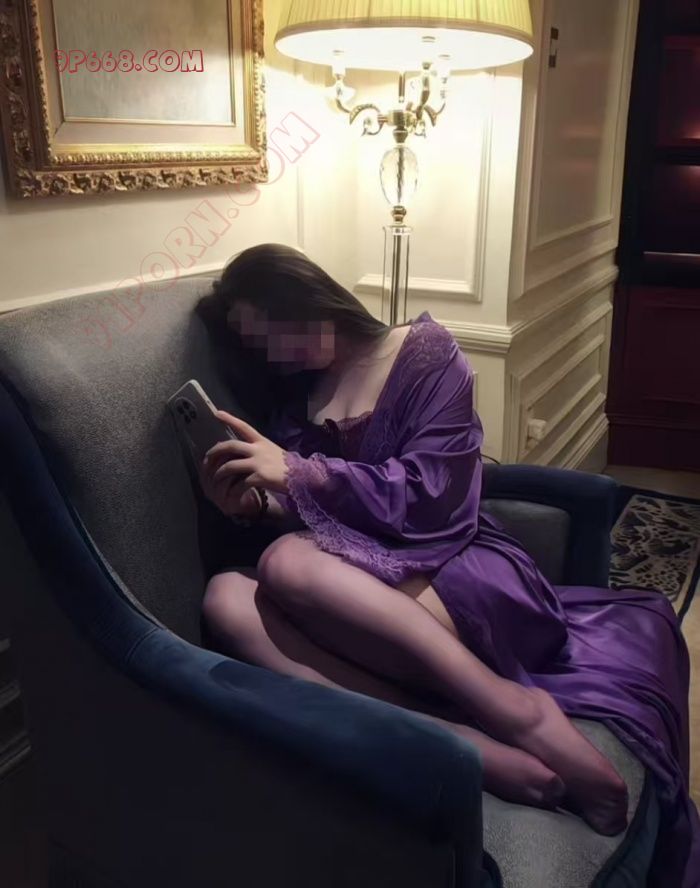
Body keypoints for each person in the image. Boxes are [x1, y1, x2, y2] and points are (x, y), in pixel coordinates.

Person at [196, 243, 698, 885]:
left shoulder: (425, 354)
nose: (270, 351)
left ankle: (517, 711)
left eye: (267, 327)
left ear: (299, 294)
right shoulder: (295, 402)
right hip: (361, 592)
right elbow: (318, 517)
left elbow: (436, 499)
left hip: (461, 566)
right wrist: (256, 505)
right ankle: (453, 738)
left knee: (288, 564)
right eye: (253, 345)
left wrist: (299, 473)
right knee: (225, 597)